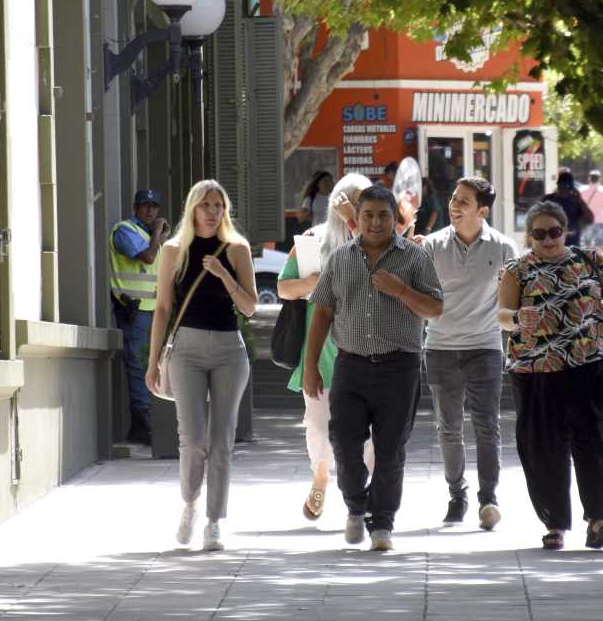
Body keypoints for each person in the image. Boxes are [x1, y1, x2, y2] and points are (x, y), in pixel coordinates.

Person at [302, 185, 444, 552]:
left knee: (390, 449)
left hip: (400, 367)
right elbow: (321, 313)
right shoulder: (339, 259)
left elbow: (434, 308)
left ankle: (382, 523)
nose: (376, 222)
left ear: (395, 218)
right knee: (344, 444)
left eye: (384, 215)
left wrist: (399, 290)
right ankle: (356, 506)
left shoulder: (414, 258)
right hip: (350, 366)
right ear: (357, 218)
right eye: (368, 215)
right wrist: (311, 365)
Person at [497, 201, 603, 551]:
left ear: (566, 231)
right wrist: (518, 319)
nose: (548, 240)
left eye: (555, 232)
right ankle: (555, 523)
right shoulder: (516, 270)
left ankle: (600, 520)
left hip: (591, 363)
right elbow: (501, 313)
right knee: (542, 446)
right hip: (536, 369)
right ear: (529, 236)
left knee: (591, 440)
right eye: (539, 234)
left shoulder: (589, 260)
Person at [145, 180, 258, 552]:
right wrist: (152, 362)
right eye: (206, 204)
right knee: (192, 441)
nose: (212, 212)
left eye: (219, 205)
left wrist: (224, 275)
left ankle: (214, 522)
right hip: (187, 352)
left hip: (229, 351)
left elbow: (250, 307)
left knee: (222, 440)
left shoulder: (237, 249)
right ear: (192, 209)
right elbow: (162, 309)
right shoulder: (173, 251)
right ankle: (190, 503)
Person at [277, 172, 376, 522]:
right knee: (318, 426)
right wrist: (308, 282)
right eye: (356, 202)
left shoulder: (374, 243)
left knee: (367, 432)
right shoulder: (311, 241)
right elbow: (284, 288)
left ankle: (369, 491)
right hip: (319, 354)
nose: (365, 209)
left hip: (365, 352)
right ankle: (320, 477)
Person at [420, 177, 518, 529]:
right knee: (448, 428)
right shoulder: (430, 246)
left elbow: (514, 302)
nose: (454, 206)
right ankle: (456, 495)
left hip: (486, 348)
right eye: (453, 199)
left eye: (464, 201)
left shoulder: (505, 248)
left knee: (487, 427)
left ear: (483, 210)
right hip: (441, 347)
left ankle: (488, 498)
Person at [109, 189, 169, 445]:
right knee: (138, 368)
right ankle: (142, 427)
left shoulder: (151, 236)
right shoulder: (125, 231)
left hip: (154, 311)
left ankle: (148, 424)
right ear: (135, 208)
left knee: (155, 366)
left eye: (155, 206)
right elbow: (147, 256)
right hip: (134, 311)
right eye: (145, 206)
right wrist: (158, 235)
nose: (150, 211)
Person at [542, 171, 592, 247]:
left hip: (571, 244)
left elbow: (590, 219)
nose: (564, 190)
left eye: (567, 188)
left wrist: (580, 200)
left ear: (572, 189)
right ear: (558, 186)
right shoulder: (549, 199)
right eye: (562, 187)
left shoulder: (576, 201)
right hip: (551, 243)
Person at [579, 170, 603, 251]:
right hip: (600, 220)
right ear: (600, 179)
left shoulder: (582, 190)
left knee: (587, 244)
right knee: (600, 244)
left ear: (589, 178)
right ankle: (597, 260)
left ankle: (588, 261)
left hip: (587, 220)